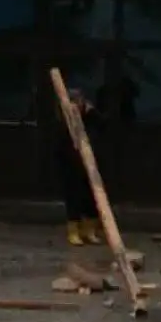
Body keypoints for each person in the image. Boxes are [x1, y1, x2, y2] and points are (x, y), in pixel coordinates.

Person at [57, 88, 104, 247]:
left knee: (91, 197)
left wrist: (91, 113)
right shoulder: (65, 118)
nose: (76, 105)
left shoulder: (91, 116)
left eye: (79, 101)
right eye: (73, 102)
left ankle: (89, 230)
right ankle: (74, 231)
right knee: (74, 196)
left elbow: (101, 126)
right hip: (72, 163)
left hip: (90, 162)